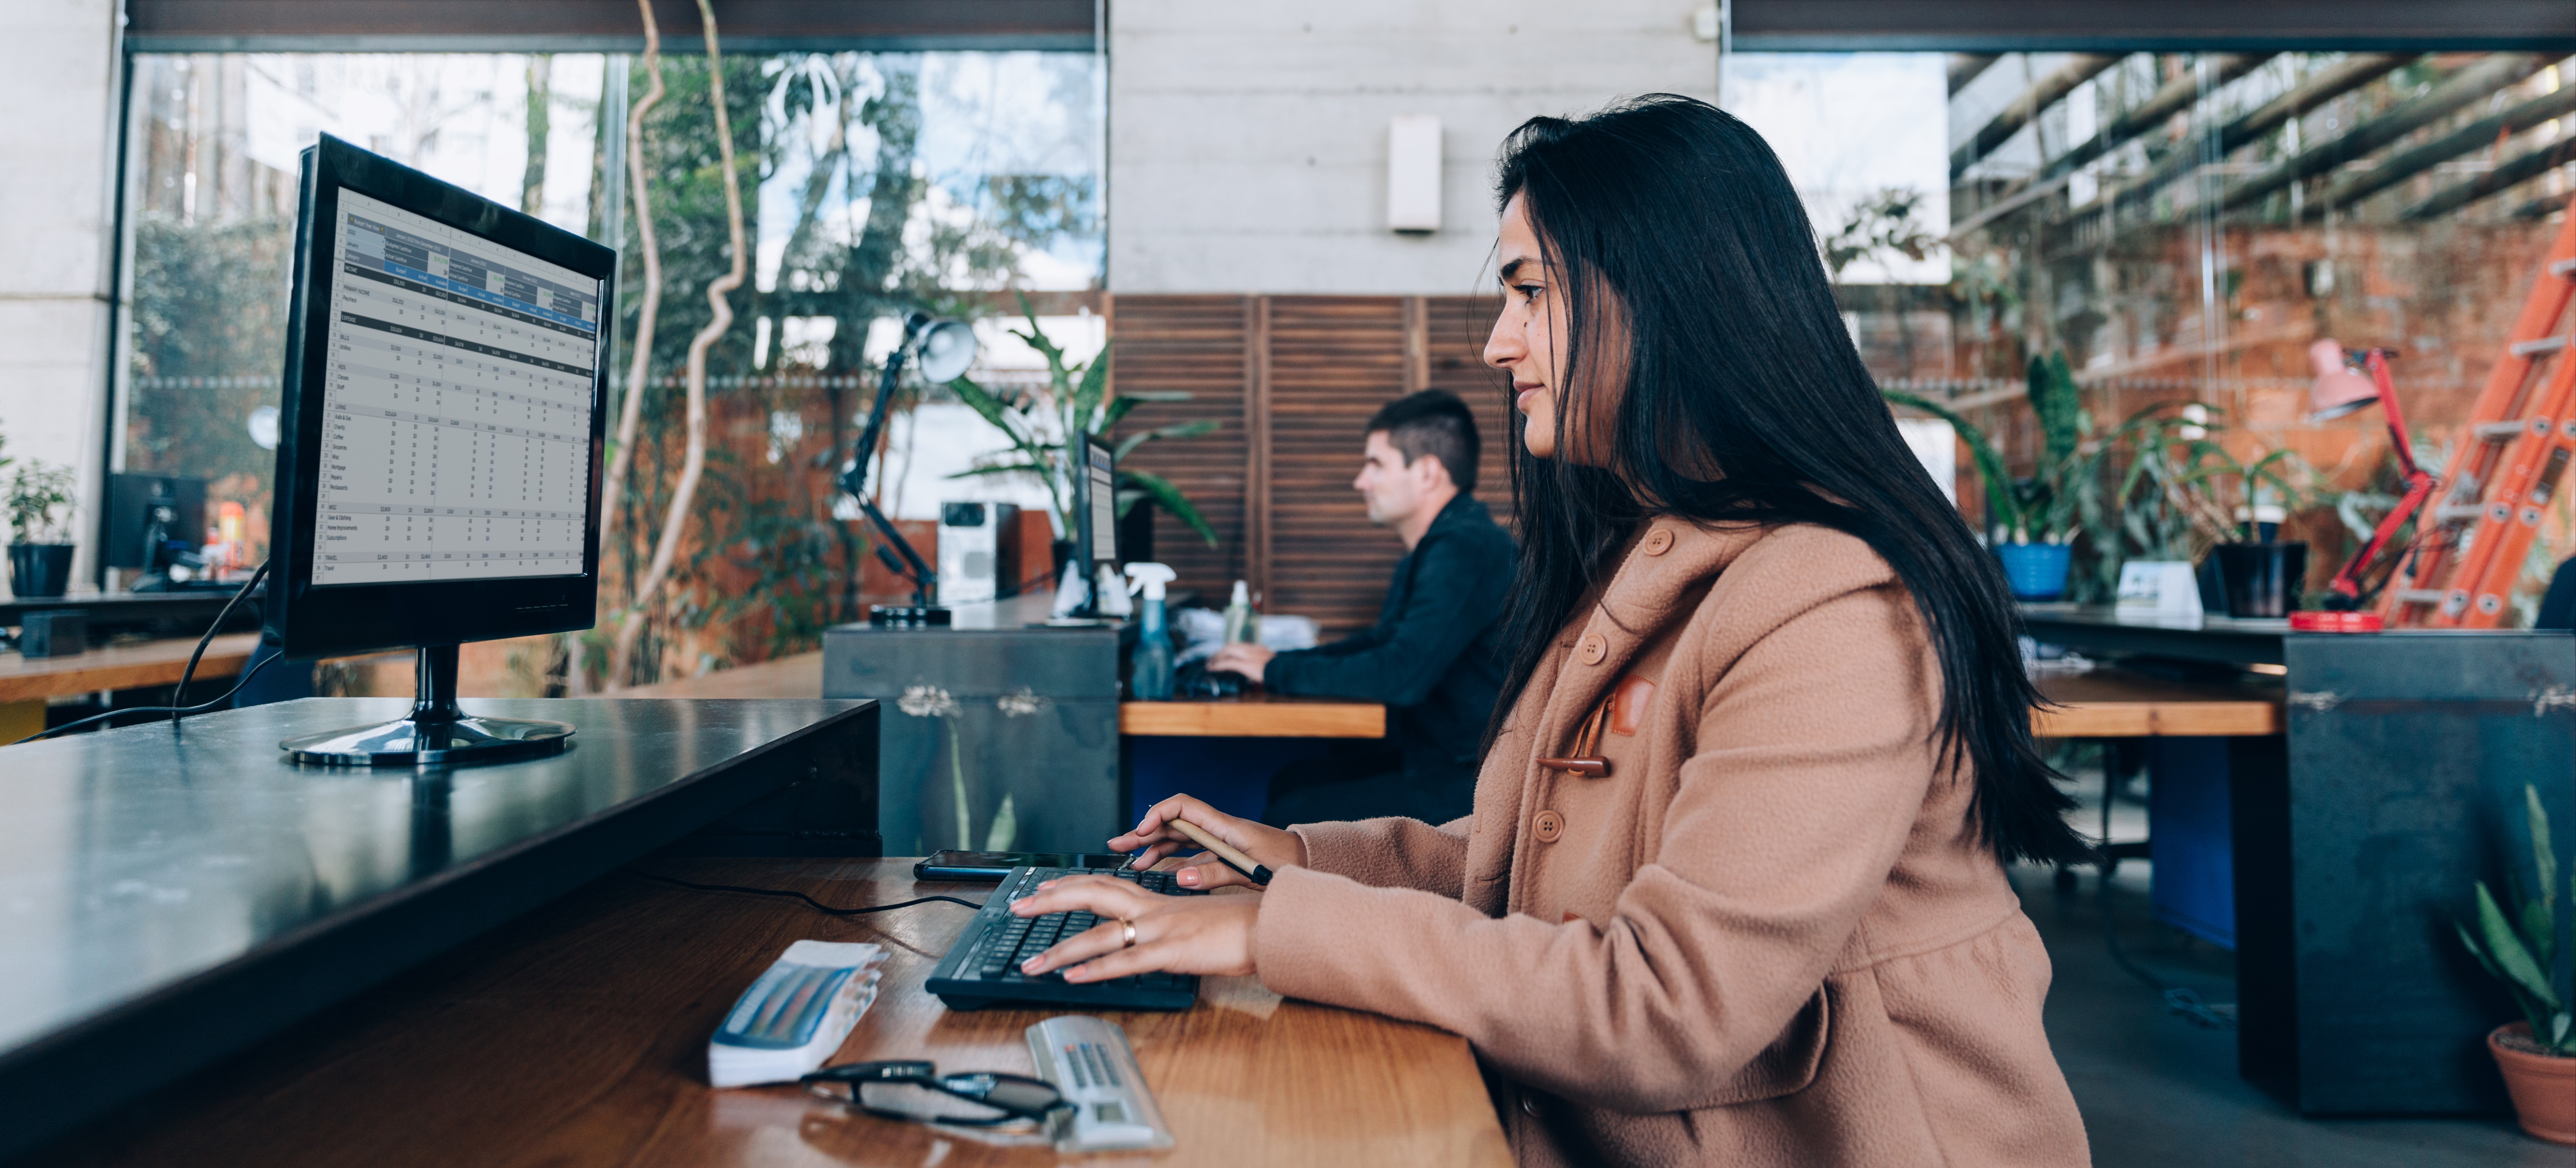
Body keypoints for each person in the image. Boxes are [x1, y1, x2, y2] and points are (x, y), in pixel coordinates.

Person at [1000, 95, 2093, 1167]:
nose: (1496, 342)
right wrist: (1291, 860)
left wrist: (1266, 929)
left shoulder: (1834, 600)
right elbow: (1531, 868)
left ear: (1671, 297)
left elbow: (1666, 1007)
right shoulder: (1642, 553)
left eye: (1530, 290)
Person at [1207, 390, 1516, 826]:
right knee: (1291, 783)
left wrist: (1277, 671)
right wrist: (1276, 662)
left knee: (1293, 810)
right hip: (1439, 761)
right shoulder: (1440, 547)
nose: (1361, 481)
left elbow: (1401, 673)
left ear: (1427, 472)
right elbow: (1383, 643)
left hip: (1472, 780)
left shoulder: (1463, 550)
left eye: (1376, 464)